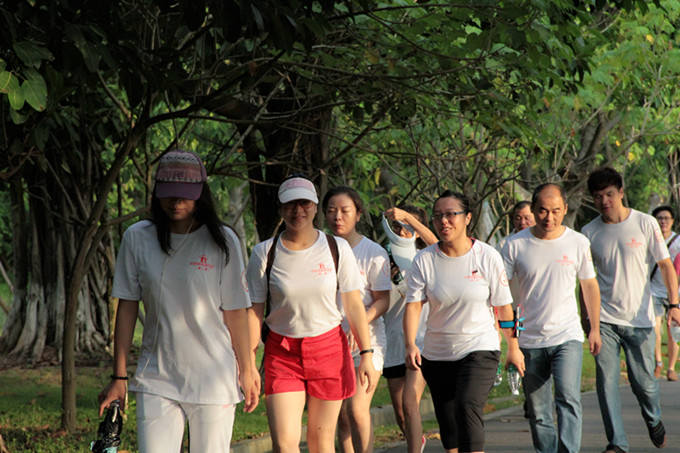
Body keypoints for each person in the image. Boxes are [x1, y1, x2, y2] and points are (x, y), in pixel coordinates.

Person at [98, 150, 259, 453]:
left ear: (201, 193)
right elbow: (127, 306)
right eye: (169, 193)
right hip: (156, 377)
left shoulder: (223, 241)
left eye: (185, 194)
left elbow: (236, 312)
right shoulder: (137, 238)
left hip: (213, 378)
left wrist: (247, 369)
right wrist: (119, 376)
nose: (176, 202)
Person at [246, 175, 379, 453]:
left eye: (304, 203)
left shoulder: (336, 248)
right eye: (290, 204)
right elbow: (254, 312)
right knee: (285, 444)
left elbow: (354, 305)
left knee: (321, 442)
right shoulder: (264, 252)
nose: (298, 210)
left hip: (328, 349)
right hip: (282, 352)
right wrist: (248, 364)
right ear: (280, 208)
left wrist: (366, 353)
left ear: (315, 207)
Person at [404, 190, 525, 453]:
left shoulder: (487, 256)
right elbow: (413, 306)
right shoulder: (424, 259)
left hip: (479, 347)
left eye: (451, 214)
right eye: (438, 216)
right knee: (449, 425)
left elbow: (504, 308)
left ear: (467, 217)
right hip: (437, 353)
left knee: (467, 406)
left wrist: (513, 348)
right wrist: (410, 343)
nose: (444, 221)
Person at [582, 167, 680, 453]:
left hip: (640, 319)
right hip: (605, 320)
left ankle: (653, 418)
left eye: (609, 194)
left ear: (621, 192)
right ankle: (617, 443)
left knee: (645, 384)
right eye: (598, 196)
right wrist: (589, 320)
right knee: (606, 384)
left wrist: (674, 304)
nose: (604, 202)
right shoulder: (589, 232)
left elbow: (665, 265)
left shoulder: (645, 223)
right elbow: (586, 281)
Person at [501, 183, 601, 453]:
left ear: (565, 209)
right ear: (533, 209)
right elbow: (502, 295)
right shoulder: (514, 245)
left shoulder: (577, 242)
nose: (549, 217)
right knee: (538, 411)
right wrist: (510, 340)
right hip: (529, 339)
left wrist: (594, 328)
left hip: (566, 335)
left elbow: (589, 285)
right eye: (543, 210)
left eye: (556, 211)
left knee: (568, 399)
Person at [322, 186, 392, 453]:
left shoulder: (373, 252)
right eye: (331, 211)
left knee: (357, 408)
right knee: (341, 415)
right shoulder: (318, 249)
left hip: (367, 340)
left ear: (358, 214)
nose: (337, 216)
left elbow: (383, 300)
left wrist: (357, 323)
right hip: (329, 340)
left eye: (345, 210)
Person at [382, 206, 438, 453]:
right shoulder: (382, 258)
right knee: (400, 411)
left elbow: (436, 242)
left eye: (407, 227)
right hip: (393, 341)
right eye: (397, 227)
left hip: (420, 341)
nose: (401, 231)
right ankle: (417, 440)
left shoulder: (426, 258)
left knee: (409, 401)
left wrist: (408, 218)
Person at [650, 205, 680, 381]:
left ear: (672, 221)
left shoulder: (678, 241)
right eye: (659, 218)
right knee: (655, 330)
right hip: (653, 290)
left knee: (673, 331)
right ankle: (659, 362)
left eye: (666, 218)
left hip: (675, 294)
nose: (663, 222)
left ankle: (671, 368)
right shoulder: (650, 240)